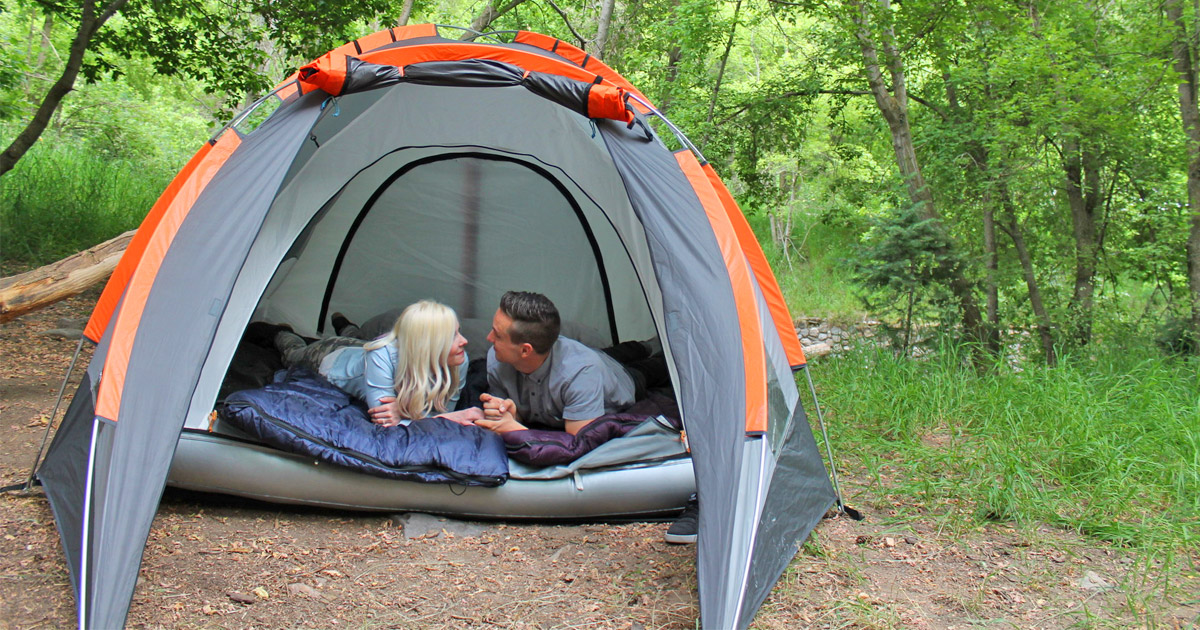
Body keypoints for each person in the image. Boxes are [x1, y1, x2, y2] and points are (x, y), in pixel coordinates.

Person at [273, 300, 483, 427]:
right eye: (452, 336)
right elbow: (387, 423)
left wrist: (403, 411)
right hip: (332, 359)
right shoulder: (381, 355)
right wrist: (413, 414)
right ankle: (281, 331)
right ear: (428, 346)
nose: (464, 341)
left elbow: (442, 413)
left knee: (362, 341)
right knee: (293, 354)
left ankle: (346, 327)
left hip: (365, 349)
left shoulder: (459, 360)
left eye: (459, 332)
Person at [475, 291, 636, 435]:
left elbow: (580, 441)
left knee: (648, 365)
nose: (489, 338)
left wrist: (520, 431)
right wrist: (511, 414)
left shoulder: (581, 373)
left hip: (622, 376)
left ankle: (646, 346)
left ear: (525, 350)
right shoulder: (497, 361)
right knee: (617, 351)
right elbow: (510, 417)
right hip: (587, 356)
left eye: (497, 335)